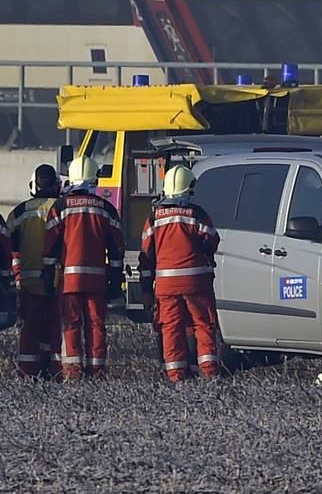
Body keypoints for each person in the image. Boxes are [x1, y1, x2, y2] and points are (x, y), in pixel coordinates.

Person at [42, 156, 123, 380]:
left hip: (69, 281)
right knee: (96, 326)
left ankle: (73, 373)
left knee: (71, 325)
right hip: (97, 281)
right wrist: (115, 282)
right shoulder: (106, 208)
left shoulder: (60, 207)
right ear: (94, 179)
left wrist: (48, 276)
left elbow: (49, 247)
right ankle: (97, 373)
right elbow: (116, 250)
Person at [139, 166, 221, 382]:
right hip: (197, 283)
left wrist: (146, 288)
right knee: (203, 325)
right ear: (190, 187)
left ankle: (175, 376)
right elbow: (212, 240)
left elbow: (146, 255)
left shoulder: (154, 217)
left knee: (171, 328)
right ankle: (209, 373)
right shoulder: (197, 214)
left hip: (166, 286)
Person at [8, 165, 61, 378]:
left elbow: (9, 245)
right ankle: (55, 373)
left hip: (29, 284)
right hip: (58, 283)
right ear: (57, 185)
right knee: (55, 332)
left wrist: (15, 276)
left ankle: (27, 375)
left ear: (33, 185)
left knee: (29, 333)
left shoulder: (20, 212)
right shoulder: (61, 207)